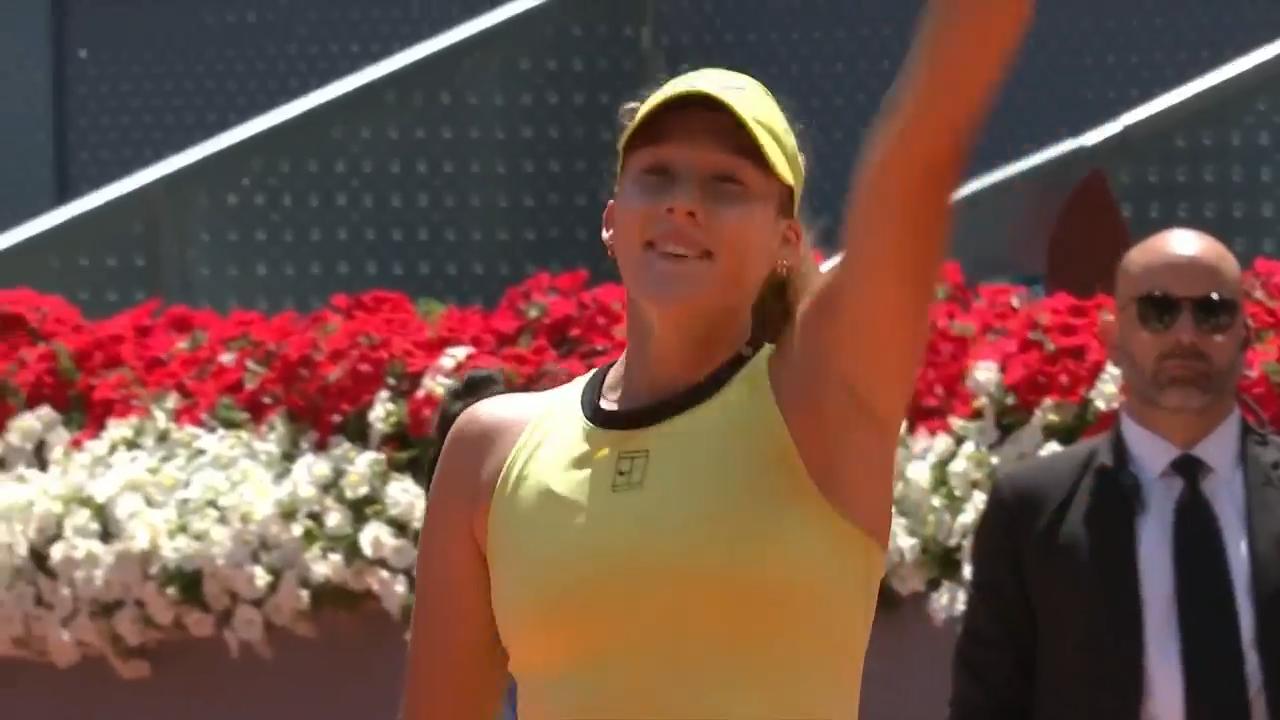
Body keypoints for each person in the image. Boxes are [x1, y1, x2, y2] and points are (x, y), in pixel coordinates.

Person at [400, 2, 1034, 717]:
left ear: (787, 241)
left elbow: (918, 155)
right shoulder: (488, 449)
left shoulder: (820, 406)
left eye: (726, 183)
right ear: (612, 220)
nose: (683, 205)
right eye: (656, 175)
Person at [949, 228, 1280, 720]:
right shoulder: (1033, 510)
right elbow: (988, 705)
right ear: (1113, 337)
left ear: (1244, 336)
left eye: (1212, 313)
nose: (1185, 336)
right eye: (1157, 311)